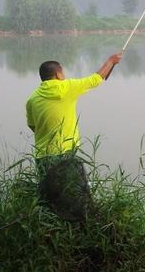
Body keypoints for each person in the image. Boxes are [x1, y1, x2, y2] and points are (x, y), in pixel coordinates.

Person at [25, 53, 122, 220]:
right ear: (57, 74)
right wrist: (111, 61)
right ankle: (79, 226)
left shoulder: (32, 99)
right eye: (62, 73)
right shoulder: (67, 87)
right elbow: (96, 79)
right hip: (66, 154)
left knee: (48, 198)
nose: (64, 76)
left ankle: (49, 228)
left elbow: (33, 126)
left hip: (42, 156)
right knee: (77, 193)